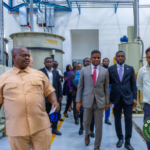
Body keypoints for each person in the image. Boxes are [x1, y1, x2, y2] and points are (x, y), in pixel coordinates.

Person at [0, 47, 59, 150]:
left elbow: (49, 91)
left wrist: (54, 101)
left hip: (40, 125)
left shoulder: (39, 75)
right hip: (16, 128)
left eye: (28, 55)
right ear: (14, 57)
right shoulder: (3, 78)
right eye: (24, 55)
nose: (27, 58)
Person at [76, 50, 110, 150]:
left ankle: (97, 146)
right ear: (91, 58)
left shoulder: (105, 71)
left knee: (99, 125)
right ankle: (87, 134)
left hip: (100, 100)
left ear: (100, 58)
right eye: (94, 57)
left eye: (98, 57)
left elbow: (107, 88)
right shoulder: (84, 70)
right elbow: (80, 86)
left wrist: (107, 102)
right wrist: (78, 101)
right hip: (87, 100)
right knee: (86, 122)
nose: (96, 59)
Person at [108, 51, 137, 150]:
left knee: (128, 119)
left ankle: (127, 142)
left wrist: (134, 98)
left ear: (125, 58)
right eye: (118, 56)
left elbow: (133, 84)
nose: (120, 58)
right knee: (117, 119)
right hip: (115, 98)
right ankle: (120, 138)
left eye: (122, 56)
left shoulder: (130, 68)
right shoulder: (110, 69)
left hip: (128, 98)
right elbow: (108, 85)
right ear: (115, 58)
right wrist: (108, 99)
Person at [40, 57, 63, 135]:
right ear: (44, 63)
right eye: (47, 62)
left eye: (50, 62)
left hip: (54, 96)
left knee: (55, 113)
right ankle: (44, 130)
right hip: (44, 97)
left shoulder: (56, 72)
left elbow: (59, 84)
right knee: (45, 114)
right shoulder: (40, 72)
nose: (49, 63)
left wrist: (60, 95)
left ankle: (54, 129)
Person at [74, 57, 95, 138]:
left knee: (92, 115)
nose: (87, 62)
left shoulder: (94, 71)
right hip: (84, 97)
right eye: (86, 61)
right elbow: (76, 81)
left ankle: (92, 130)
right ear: (83, 63)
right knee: (83, 114)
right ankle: (81, 128)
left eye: (89, 61)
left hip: (93, 97)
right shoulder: (79, 71)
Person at [137, 47, 150, 150]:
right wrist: (147, 93)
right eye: (149, 57)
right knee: (147, 130)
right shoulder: (142, 70)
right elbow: (139, 85)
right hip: (148, 106)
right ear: (146, 57)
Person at [102, 58, 112, 125]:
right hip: (100, 88)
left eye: (107, 61)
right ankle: (98, 118)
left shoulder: (111, 69)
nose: (106, 62)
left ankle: (106, 119)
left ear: (108, 62)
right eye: (104, 61)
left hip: (109, 87)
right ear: (102, 62)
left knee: (108, 103)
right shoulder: (99, 69)